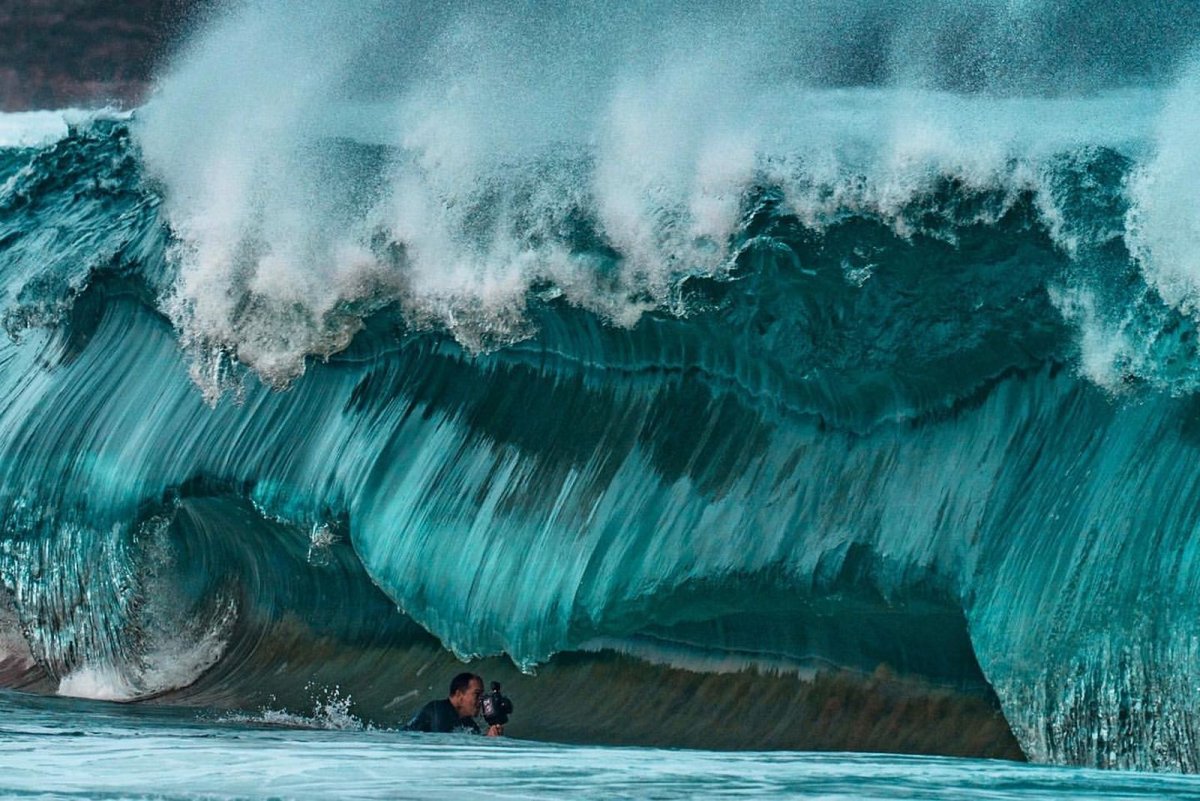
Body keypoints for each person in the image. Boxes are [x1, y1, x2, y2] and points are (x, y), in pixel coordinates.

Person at [403, 672, 503, 736]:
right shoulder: (438, 710)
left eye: (482, 695)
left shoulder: (467, 722)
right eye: (477, 694)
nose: (482, 700)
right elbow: (442, 743)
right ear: (459, 694)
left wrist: (489, 738)